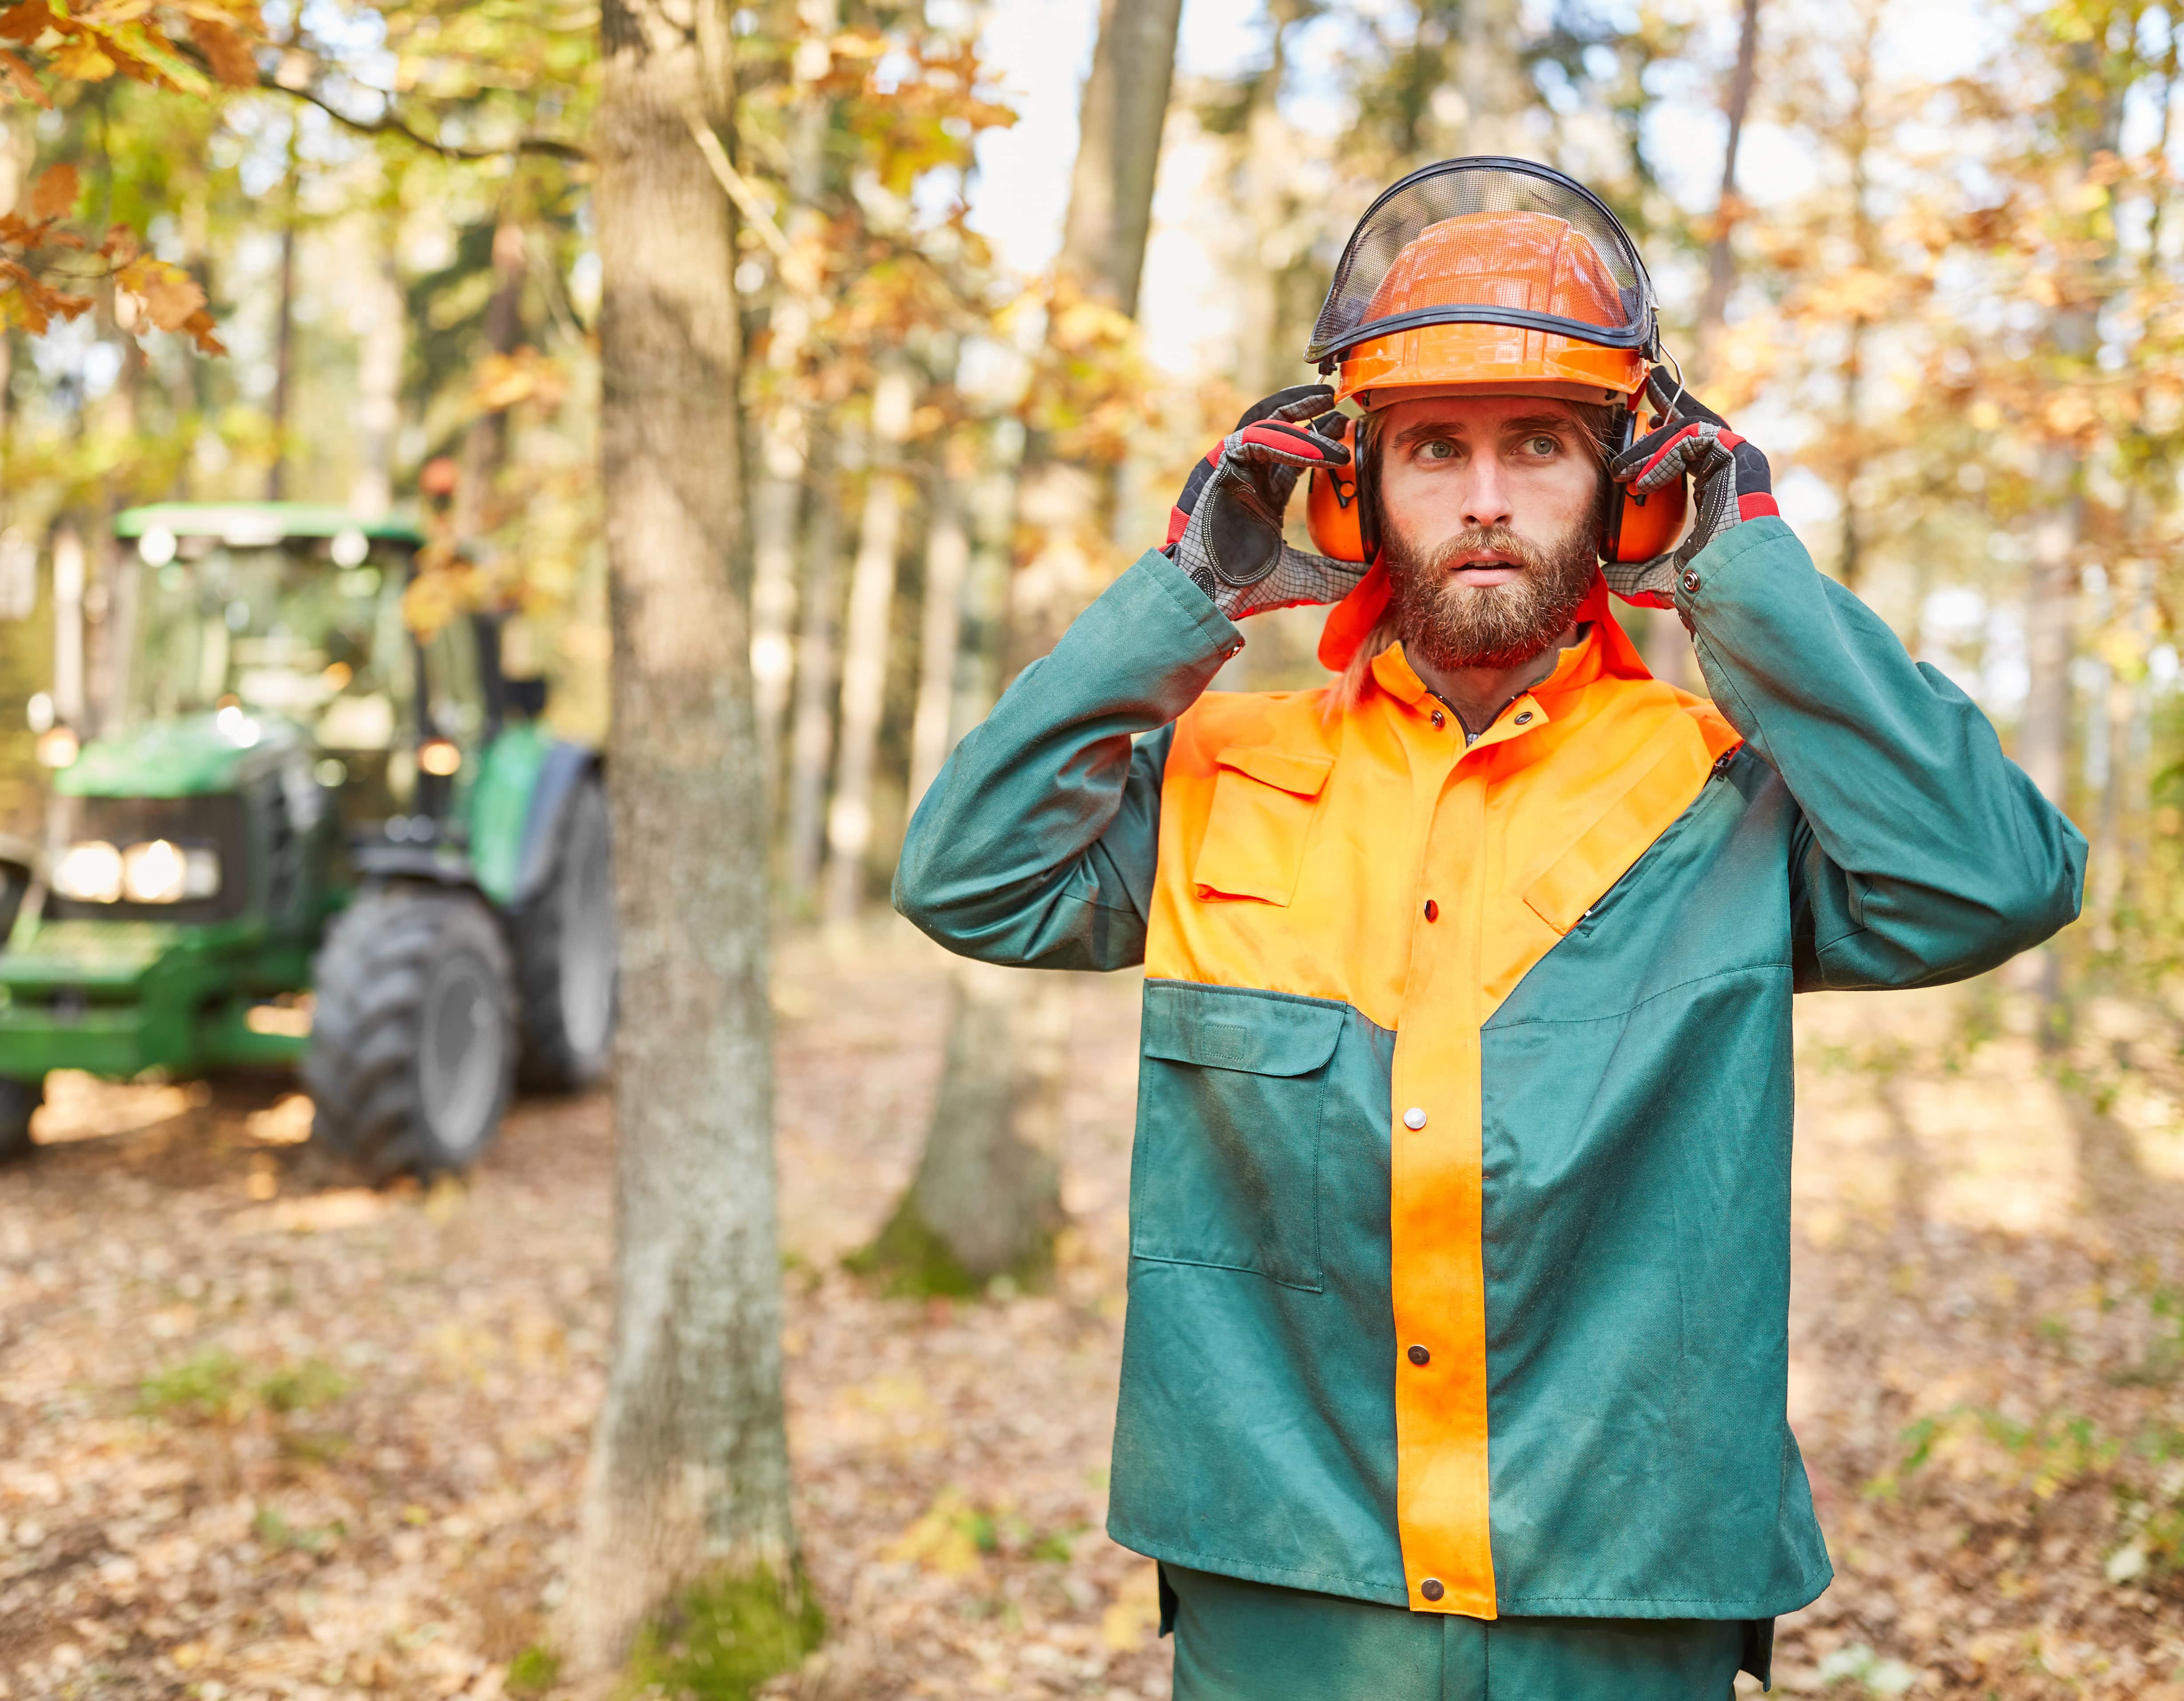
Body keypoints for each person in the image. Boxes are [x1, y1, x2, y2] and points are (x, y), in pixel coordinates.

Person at [892, 158, 2086, 1699]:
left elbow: (1996, 877)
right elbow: (965, 875)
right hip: (1287, 1596)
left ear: (1623, 490)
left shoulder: (1720, 791)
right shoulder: (1223, 777)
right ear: (1354, 493)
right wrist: (1191, 586)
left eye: (1539, 447)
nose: (1483, 498)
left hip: (1618, 1592)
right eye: (1433, 448)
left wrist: (1741, 564)